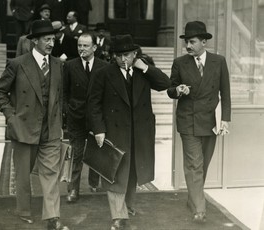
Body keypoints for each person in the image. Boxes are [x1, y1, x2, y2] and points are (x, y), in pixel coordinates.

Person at [87, 34, 171, 230]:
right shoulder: (103, 73)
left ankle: (129, 205)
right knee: (115, 172)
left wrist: (146, 68)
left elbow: (165, 84)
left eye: (128, 55)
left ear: (135, 54)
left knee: (134, 170)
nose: (124, 60)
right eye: (119, 56)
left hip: (140, 132)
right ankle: (118, 216)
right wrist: (98, 129)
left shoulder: (143, 71)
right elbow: (93, 104)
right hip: (114, 132)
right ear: (113, 56)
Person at [0, 20, 69, 230]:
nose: (51, 43)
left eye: (53, 39)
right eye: (46, 39)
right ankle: (24, 210)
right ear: (35, 41)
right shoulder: (17, 64)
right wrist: (11, 116)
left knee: (51, 174)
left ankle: (52, 217)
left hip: (50, 129)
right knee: (23, 174)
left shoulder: (58, 65)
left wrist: (61, 122)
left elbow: (61, 97)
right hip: (24, 128)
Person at [167, 21, 231, 223]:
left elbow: (225, 93)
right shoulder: (180, 63)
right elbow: (170, 89)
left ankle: (193, 200)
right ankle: (200, 210)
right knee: (194, 165)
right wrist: (178, 90)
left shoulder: (218, 61)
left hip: (211, 122)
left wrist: (226, 119)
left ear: (204, 42)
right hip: (189, 121)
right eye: (186, 42)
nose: (188, 46)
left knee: (203, 163)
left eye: (192, 42)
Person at [63, 32, 108, 203]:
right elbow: (64, 93)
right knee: (76, 154)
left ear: (94, 48)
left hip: (97, 118)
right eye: (79, 45)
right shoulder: (69, 66)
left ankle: (96, 185)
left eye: (85, 46)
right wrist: (68, 111)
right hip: (76, 118)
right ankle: (73, 189)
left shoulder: (104, 66)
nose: (81, 49)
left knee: (99, 152)